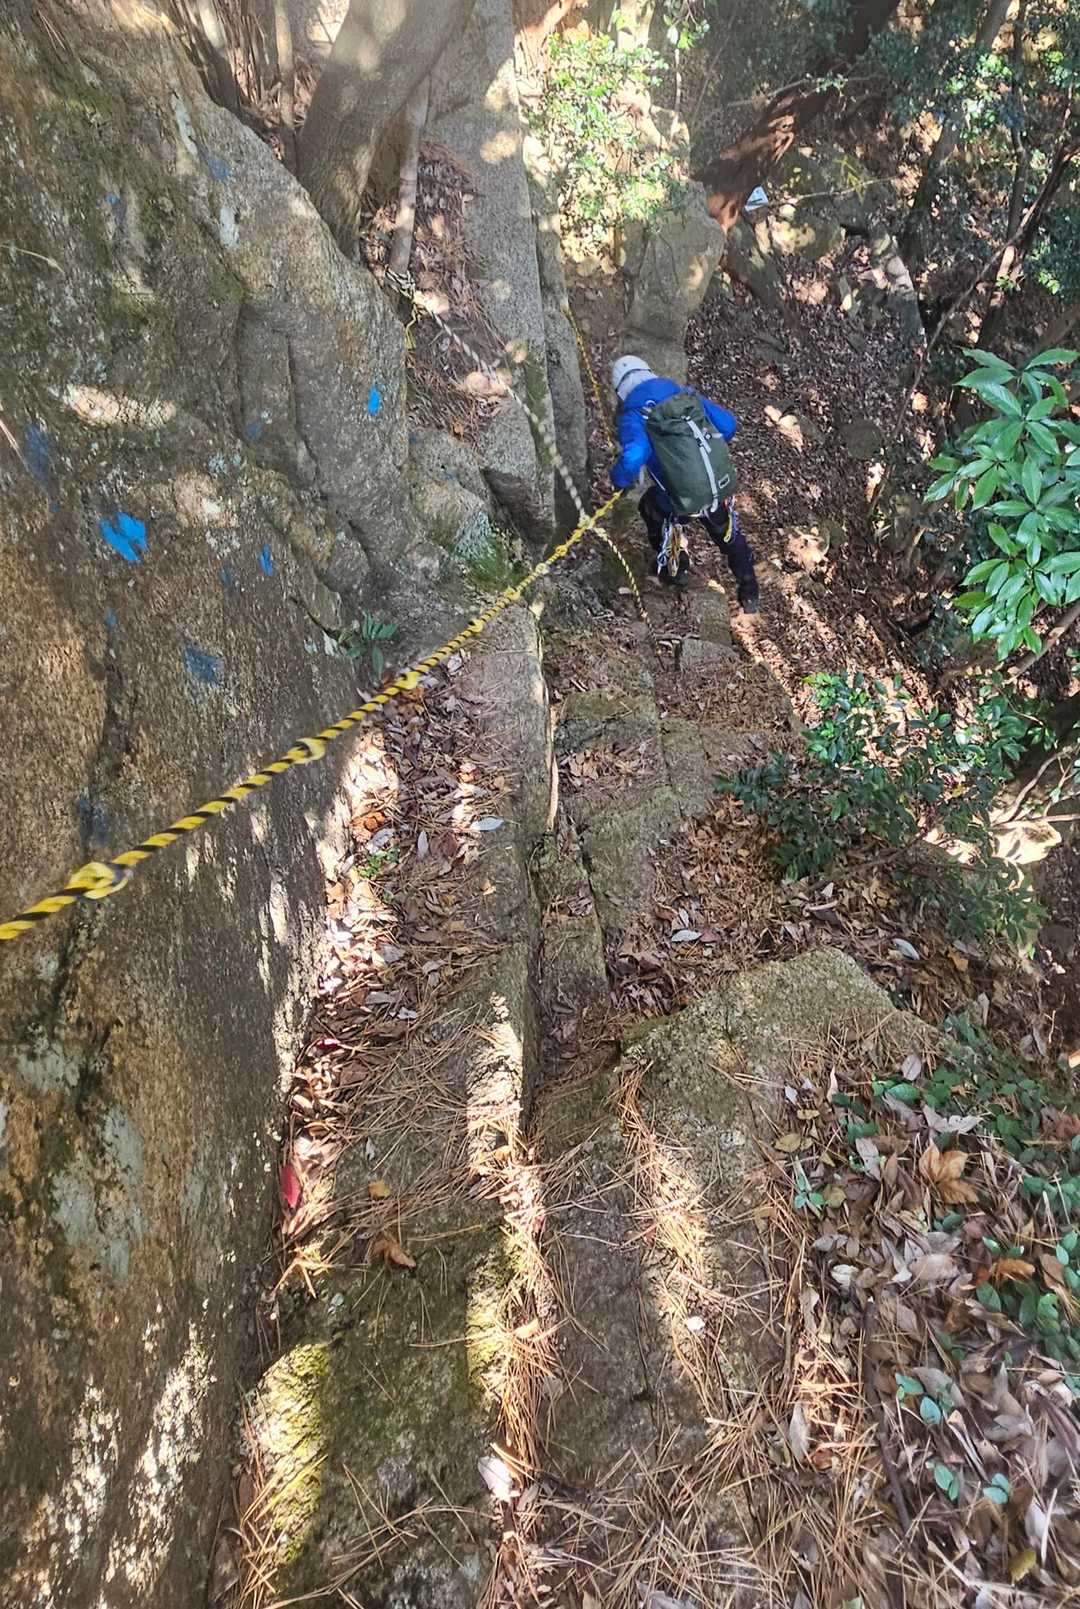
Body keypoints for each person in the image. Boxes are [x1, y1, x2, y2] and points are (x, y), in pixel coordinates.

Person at [608, 356, 760, 613]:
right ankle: (749, 590)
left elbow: (634, 456)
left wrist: (618, 481)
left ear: (620, 391)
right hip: (715, 484)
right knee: (727, 535)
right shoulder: (685, 395)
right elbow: (728, 426)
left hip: (679, 495)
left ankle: (675, 566)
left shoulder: (634, 415)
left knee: (650, 508)